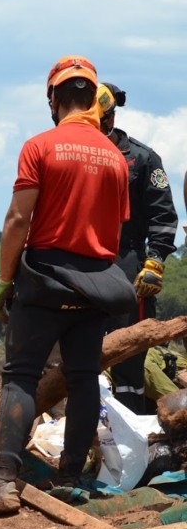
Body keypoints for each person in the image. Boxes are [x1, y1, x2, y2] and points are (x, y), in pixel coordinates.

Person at [0, 56, 136, 516]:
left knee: (20, 376)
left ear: (53, 99)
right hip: (96, 283)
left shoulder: (40, 146)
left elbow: (18, 218)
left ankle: (3, 482)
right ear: (93, 100)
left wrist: (5, 278)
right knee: (83, 378)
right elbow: (116, 227)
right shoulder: (115, 157)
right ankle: (71, 478)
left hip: (45, 278)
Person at [95, 82, 179, 413]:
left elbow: (163, 216)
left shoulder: (143, 159)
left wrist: (155, 261)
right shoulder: (71, 153)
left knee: (129, 353)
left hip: (127, 261)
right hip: (80, 262)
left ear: (110, 119)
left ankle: (132, 428)